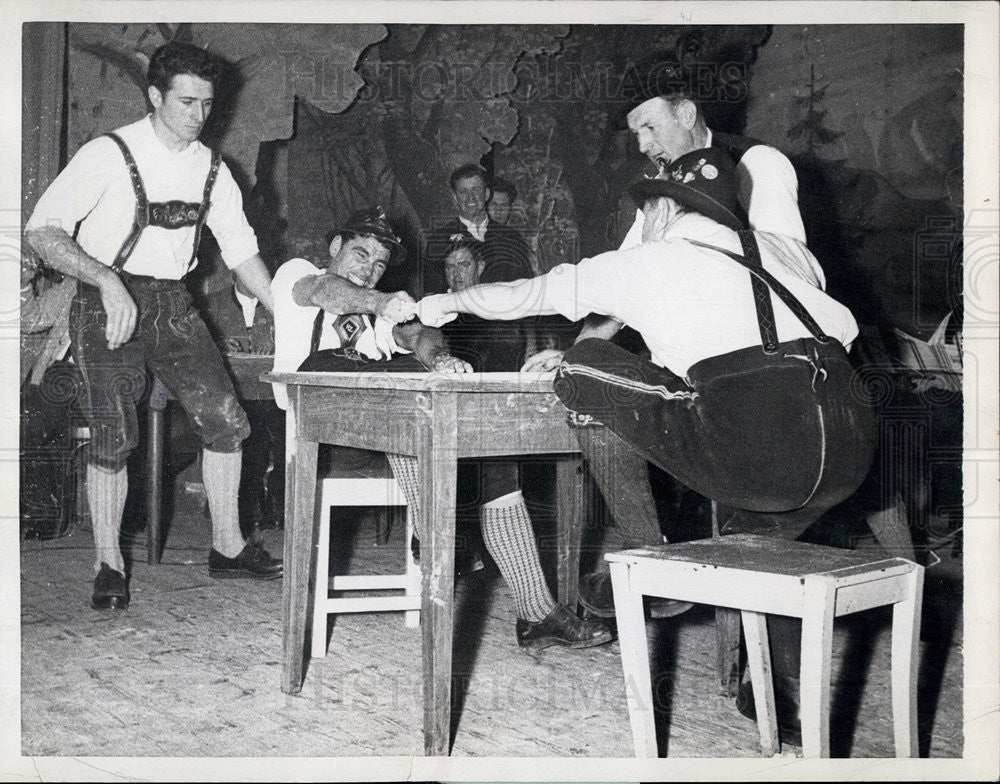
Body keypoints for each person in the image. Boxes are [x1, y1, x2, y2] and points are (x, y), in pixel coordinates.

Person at [417, 147, 877, 743]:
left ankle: (649, 553)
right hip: (847, 442)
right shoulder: (781, 248)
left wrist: (442, 302)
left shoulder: (655, 257)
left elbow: (531, 293)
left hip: (760, 443)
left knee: (583, 369)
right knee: (755, 542)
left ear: (661, 211)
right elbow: (771, 169)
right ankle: (777, 698)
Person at [522, 54, 818, 619]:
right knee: (590, 392)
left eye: (650, 127)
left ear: (687, 112)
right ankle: (654, 560)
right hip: (694, 368)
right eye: (635, 134)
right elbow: (621, 279)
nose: (643, 144)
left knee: (753, 526)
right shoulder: (661, 191)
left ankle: (741, 643)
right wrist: (582, 349)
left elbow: (790, 268)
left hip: (762, 368)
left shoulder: (757, 164)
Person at [270, 214, 611, 650]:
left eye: (379, 264)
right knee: (366, 379)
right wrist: (377, 302)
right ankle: (440, 525)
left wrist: (440, 359)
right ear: (335, 245)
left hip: (391, 434)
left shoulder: (378, 308)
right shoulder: (298, 275)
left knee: (484, 452)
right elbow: (324, 293)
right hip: (322, 435)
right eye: (361, 253)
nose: (369, 268)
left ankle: (536, 611)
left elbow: (418, 334)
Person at [23, 41, 282, 611]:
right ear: (155, 96)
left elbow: (242, 254)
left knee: (227, 419)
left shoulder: (214, 169)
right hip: (104, 297)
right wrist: (106, 280)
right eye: (186, 102)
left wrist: (285, 310)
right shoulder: (107, 153)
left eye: (207, 104)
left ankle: (228, 547)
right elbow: (43, 232)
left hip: (172, 303)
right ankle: (108, 564)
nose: (199, 115)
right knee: (115, 431)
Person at [420, 163, 532, 296]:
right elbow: (432, 295)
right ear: (455, 198)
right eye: (463, 192)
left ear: (486, 194)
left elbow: (525, 288)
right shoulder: (440, 239)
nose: (470, 197)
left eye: (476, 190)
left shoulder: (511, 237)